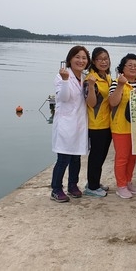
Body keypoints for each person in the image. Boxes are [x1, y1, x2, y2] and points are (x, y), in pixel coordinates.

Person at [50, 46, 90, 203]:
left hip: (79, 124)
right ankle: (56, 189)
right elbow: (64, 98)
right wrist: (66, 80)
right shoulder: (61, 77)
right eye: (77, 57)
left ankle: (72, 185)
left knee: (76, 158)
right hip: (66, 124)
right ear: (70, 59)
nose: (81, 60)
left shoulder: (85, 78)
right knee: (63, 158)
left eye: (84, 58)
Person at [108, 53, 136, 199]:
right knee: (122, 157)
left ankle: (128, 181)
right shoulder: (117, 82)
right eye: (130, 65)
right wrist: (121, 85)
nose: (133, 68)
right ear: (123, 68)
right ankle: (120, 186)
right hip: (120, 127)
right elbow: (113, 102)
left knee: (133, 157)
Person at [83, 47, 112, 197]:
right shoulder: (90, 79)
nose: (103, 61)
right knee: (96, 156)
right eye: (100, 59)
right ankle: (91, 188)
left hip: (108, 123)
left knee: (102, 155)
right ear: (94, 61)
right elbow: (92, 103)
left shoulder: (107, 77)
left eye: (106, 58)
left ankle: (94, 181)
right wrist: (93, 86)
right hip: (96, 125)